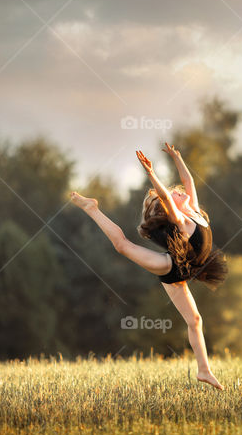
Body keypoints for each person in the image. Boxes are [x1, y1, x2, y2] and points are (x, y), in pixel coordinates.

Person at [71, 143, 227, 390]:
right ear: (170, 206)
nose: (178, 192)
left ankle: (204, 371)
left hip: (186, 267)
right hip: (171, 267)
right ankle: (92, 209)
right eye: (173, 194)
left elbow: (188, 182)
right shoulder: (182, 220)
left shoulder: (194, 211)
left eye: (176, 192)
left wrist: (177, 157)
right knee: (122, 246)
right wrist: (151, 173)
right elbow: (165, 198)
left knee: (195, 320)